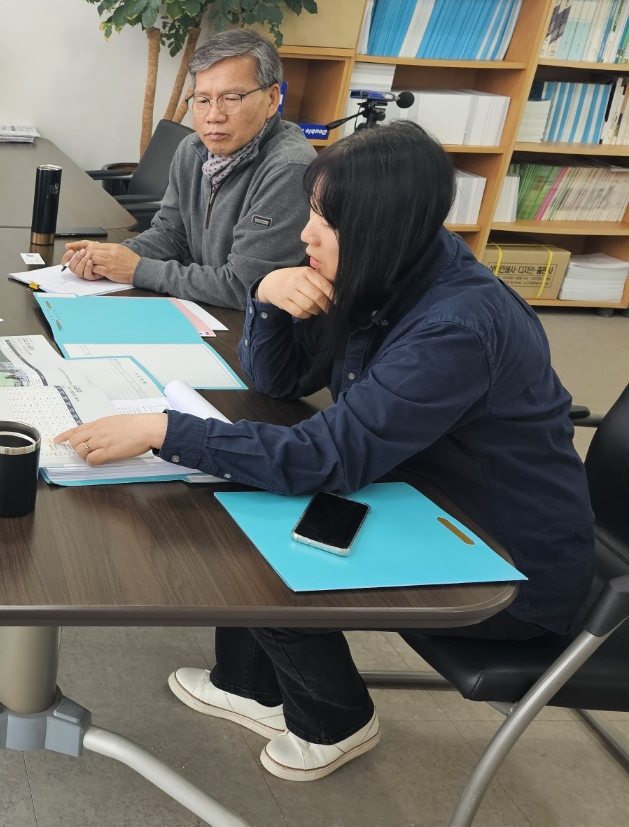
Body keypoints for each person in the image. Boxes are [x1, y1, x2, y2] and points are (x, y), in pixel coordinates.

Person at [55, 120, 596, 781]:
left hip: (505, 563)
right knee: (242, 488)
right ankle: (250, 685)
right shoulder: (385, 269)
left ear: (380, 229)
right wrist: (267, 297)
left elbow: (325, 459)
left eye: (326, 222)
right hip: (424, 499)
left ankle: (333, 720)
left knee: (261, 526)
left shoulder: (454, 327)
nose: (307, 235)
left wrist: (166, 431)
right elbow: (281, 382)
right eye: (312, 213)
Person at [61, 28, 315, 310]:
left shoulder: (290, 168)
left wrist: (136, 269)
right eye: (203, 100)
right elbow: (171, 234)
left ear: (272, 99)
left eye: (232, 98)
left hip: (250, 325)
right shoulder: (193, 150)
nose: (213, 116)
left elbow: (245, 285)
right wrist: (109, 258)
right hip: (201, 307)